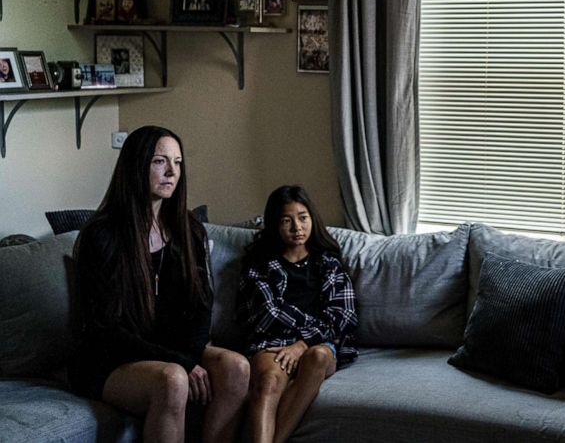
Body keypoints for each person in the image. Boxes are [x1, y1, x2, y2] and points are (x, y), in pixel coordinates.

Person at [69, 126, 249, 443]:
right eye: (159, 162)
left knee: (237, 368)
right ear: (137, 165)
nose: (171, 172)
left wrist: (189, 357)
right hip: (110, 359)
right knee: (172, 379)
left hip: (172, 352)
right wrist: (180, 362)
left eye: (178, 163)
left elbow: (200, 308)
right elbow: (105, 330)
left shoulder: (189, 229)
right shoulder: (102, 236)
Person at [238, 185, 358, 443]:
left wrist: (302, 343)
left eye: (303, 218)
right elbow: (267, 314)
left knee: (317, 356)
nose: (297, 227)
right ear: (275, 225)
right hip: (272, 343)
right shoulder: (261, 265)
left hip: (318, 346)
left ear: (312, 219)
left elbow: (343, 319)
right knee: (269, 382)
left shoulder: (328, 264)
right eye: (286, 220)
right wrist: (311, 328)